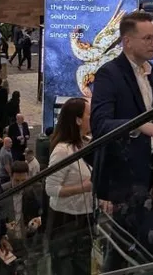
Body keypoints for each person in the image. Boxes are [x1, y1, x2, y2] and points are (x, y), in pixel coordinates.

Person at [89, 11, 153, 206]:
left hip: (144, 175)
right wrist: (140, 125)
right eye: (147, 38)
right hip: (118, 183)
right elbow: (100, 125)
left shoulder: (150, 70)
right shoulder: (109, 74)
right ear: (127, 42)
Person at [46, 97, 95, 275]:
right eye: (89, 114)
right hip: (65, 220)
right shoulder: (62, 151)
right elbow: (51, 188)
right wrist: (83, 187)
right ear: (78, 120)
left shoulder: (85, 144)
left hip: (84, 217)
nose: (92, 117)